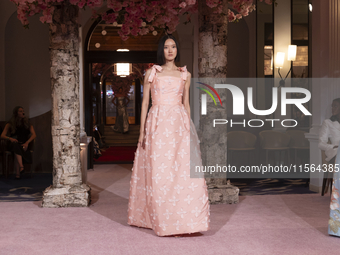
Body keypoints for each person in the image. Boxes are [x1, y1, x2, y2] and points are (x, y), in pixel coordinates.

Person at [127, 34, 210, 237]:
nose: (170, 50)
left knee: (181, 169)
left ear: (177, 49)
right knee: (160, 171)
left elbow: (187, 104)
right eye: (166, 47)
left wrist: (190, 129)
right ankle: (159, 218)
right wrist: (141, 132)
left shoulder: (185, 75)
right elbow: (145, 103)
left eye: (173, 46)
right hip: (157, 122)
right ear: (161, 51)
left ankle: (187, 219)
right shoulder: (151, 72)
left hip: (179, 123)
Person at [318, 98, 340, 237]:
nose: (333, 108)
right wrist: (335, 147)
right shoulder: (328, 123)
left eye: (336, 106)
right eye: (332, 106)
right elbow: (321, 143)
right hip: (335, 155)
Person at [0, 106, 36, 179]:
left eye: (23, 111)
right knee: (15, 145)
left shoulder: (27, 123)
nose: (22, 112)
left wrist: (27, 143)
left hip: (23, 143)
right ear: (16, 113)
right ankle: (21, 166)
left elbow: (34, 135)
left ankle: (18, 174)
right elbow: (2, 135)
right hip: (13, 143)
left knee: (17, 149)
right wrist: (10, 138)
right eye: (20, 111)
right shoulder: (10, 123)